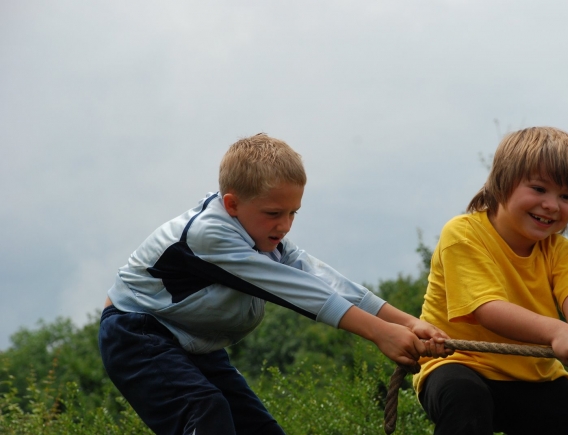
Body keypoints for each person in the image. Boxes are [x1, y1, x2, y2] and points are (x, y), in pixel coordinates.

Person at [99, 133, 450, 435]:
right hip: (138, 334)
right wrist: (380, 333)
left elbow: (326, 280)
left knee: (258, 428)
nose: (284, 225)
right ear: (232, 204)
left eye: (293, 213)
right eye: (273, 213)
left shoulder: (265, 239)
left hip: (189, 340)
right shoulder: (211, 235)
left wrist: (407, 322)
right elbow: (300, 292)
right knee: (204, 411)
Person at [414, 126, 568, 435]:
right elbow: (487, 308)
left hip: (534, 376)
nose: (551, 204)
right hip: (460, 365)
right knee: (467, 403)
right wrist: (558, 331)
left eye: (566, 196)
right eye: (538, 189)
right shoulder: (464, 234)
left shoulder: (563, 253)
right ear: (502, 182)